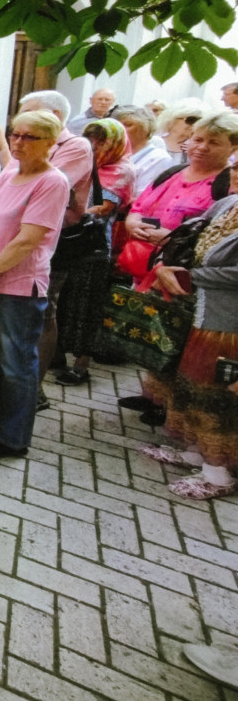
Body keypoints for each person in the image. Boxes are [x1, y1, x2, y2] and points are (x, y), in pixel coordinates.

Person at [0, 110, 70, 457]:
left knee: (17, 361)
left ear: (50, 142)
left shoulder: (52, 182)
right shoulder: (9, 173)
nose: (17, 142)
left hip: (19, 285)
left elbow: (29, 239)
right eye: (15, 134)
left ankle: (14, 437)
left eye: (29, 137)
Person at [141, 175, 238, 499]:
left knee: (214, 397)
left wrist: (188, 275)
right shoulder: (228, 204)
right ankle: (195, 453)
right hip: (201, 312)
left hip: (227, 323)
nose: (233, 174)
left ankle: (218, 475)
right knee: (189, 387)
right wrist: (165, 263)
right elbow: (190, 237)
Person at [14, 89, 93, 390]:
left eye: (30, 117)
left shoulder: (76, 147)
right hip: (21, 238)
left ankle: (32, 390)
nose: (20, 137)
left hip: (53, 243)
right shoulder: (28, 147)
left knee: (43, 312)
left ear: (55, 118)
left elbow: (37, 187)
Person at [54, 119, 135, 386]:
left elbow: (101, 208)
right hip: (67, 241)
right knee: (62, 302)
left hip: (92, 247)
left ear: (115, 142)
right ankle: (57, 355)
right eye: (91, 138)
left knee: (86, 306)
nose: (95, 145)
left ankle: (82, 365)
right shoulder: (83, 163)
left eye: (101, 140)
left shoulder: (121, 170)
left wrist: (63, 209)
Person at [118, 112, 238, 283]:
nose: (203, 147)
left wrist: (174, 241)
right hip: (141, 266)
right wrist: (132, 223)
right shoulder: (172, 173)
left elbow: (225, 235)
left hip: (182, 276)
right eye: (198, 140)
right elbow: (139, 207)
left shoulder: (230, 184)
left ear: (232, 148)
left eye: (214, 142)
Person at [113, 105, 176, 194]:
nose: (120, 129)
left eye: (128, 125)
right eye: (117, 124)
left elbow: (143, 197)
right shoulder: (114, 153)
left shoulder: (158, 158)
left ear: (146, 129)